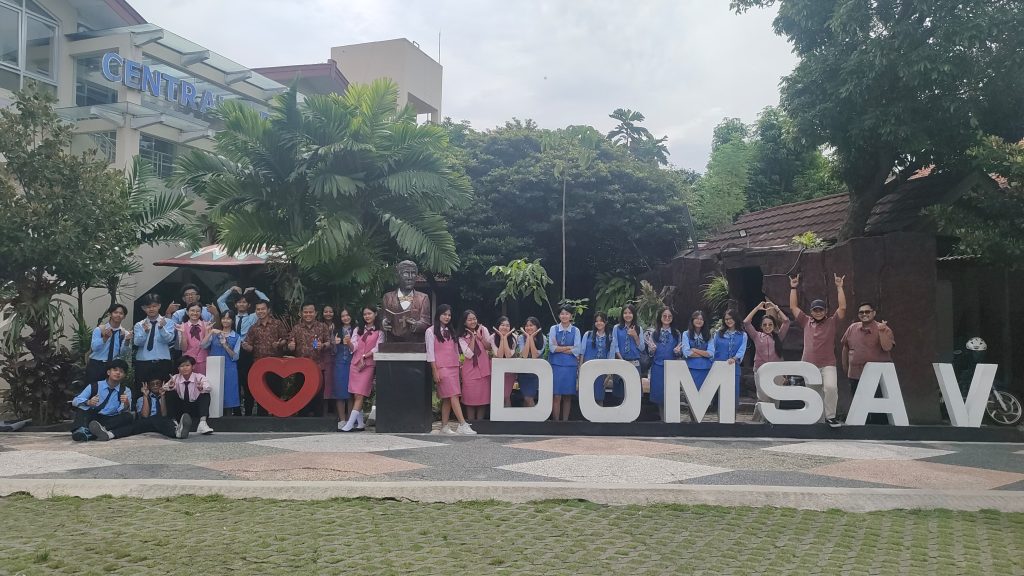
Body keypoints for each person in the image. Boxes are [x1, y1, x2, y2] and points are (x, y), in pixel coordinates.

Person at [790, 273, 847, 428]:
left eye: (821, 309)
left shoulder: (831, 322)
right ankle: (816, 419)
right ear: (811, 311)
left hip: (827, 363)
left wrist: (840, 287)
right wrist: (793, 288)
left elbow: (842, 308)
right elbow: (793, 307)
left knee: (830, 388)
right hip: (809, 365)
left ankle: (830, 417)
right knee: (813, 393)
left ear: (825, 311)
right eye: (815, 310)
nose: (818, 312)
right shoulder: (806, 321)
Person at [216, 286, 270, 415]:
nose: (241, 304)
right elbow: (220, 301)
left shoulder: (253, 317)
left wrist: (255, 290)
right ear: (235, 304)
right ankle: (235, 412)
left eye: (244, 302)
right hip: (229, 350)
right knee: (234, 381)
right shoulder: (230, 316)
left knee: (247, 382)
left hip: (246, 352)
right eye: (239, 302)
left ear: (249, 305)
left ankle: (249, 411)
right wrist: (231, 290)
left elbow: (266, 301)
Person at [841, 302, 895, 425]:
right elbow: (845, 347)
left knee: (878, 408)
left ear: (873, 313)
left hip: (877, 376)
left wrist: (881, 331)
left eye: (867, 312)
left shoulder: (884, 328)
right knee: (859, 405)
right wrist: (845, 365)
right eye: (861, 312)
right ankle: (861, 433)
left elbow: (887, 348)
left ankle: (880, 435)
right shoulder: (852, 328)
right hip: (855, 373)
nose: (864, 314)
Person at [424, 305, 475, 434]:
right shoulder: (430, 331)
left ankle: (444, 426)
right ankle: (462, 424)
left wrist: (459, 367)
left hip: (453, 366)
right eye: (444, 314)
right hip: (442, 367)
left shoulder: (451, 331)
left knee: (448, 397)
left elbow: (456, 351)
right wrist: (434, 370)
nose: (447, 317)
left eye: (449, 315)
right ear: (438, 315)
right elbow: (430, 352)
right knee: (453, 395)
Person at [89, 378, 190, 441]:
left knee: (165, 421)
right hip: (146, 422)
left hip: (161, 421)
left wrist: (162, 397)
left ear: (161, 385)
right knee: (132, 427)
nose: (155, 385)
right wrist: (145, 396)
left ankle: (178, 432)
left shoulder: (166, 397)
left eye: (157, 383)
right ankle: (108, 434)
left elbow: (163, 414)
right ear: (149, 386)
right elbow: (145, 415)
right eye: (152, 384)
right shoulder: (141, 399)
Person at [743, 301, 791, 422]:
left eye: (770, 324)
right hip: (760, 371)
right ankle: (756, 422)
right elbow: (746, 322)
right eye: (765, 325)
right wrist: (757, 308)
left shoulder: (779, 337)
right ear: (761, 326)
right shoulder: (757, 336)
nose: (768, 327)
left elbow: (786, 322)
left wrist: (776, 308)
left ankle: (773, 421)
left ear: (774, 326)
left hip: (777, 372)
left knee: (776, 397)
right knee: (762, 398)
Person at [241, 300, 288, 416]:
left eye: (263, 309)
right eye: (258, 309)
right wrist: (246, 346)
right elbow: (249, 346)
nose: (260, 311)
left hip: (276, 364)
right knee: (262, 393)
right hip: (259, 365)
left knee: (275, 390)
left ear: (268, 310)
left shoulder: (277, 324)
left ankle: (276, 414)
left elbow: (285, 339)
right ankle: (262, 417)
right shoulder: (253, 328)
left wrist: (279, 344)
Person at [341, 306, 384, 432]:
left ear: (375, 314)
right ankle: (360, 424)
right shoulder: (358, 329)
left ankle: (349, 424)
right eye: (365, 314)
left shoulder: (379, 332)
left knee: (360, 394)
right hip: (355, 364)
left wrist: (365, 356)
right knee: (355, 394)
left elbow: (377, 348)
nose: (367, 316)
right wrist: (348, 342)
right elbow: (353, 348)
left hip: (368, 365)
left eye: (369, 313)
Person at [69, 359, 133, 442]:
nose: (118, 373)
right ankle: (85, 431)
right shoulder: (95, 386)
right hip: (94, 416)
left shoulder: (125, 390)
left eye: (121, 371)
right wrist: (88, 402)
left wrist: (126, 403)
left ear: (124, 375)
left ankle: (90, 432)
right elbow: (75, 401)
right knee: (82, 407)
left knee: (128, 417)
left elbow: (122, 410)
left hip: (110, 419)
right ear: (108, 372)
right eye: (115, 370)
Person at [287, 302, 333, 415]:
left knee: (318, 395)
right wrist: (290, 346)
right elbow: (290, 344)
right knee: (301, 394)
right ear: (301, 313)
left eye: (311, 312)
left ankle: (318, 420)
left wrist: (323, 345)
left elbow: (329, 343)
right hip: (301, 368)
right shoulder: (296, 328)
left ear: (315, 313)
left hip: (318, 366)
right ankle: (303, 419)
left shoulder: (322, 327)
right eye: (306, 312)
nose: (308, 314)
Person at [133, 293, 176, 393]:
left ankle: (164, 408)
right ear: (143, 308)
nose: (151, 309)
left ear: (159, 306)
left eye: (154, 306)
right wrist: (145, 332)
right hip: (143, 362)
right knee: (142, 389)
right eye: (148, 307)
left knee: (165, 390)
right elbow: (137, 343)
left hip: (163, 362)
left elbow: (169, 339)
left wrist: (161, 329)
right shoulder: (139, 324)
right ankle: (141, 408)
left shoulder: (168, 322)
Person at [380, 260, 431, 342]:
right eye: (406, 273)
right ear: (398, 275)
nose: (410, 277)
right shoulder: (387, 297)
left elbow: (426, 322)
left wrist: (417, 325)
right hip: (392, 344)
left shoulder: (423, 298)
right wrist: (384, 323)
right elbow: (383, 318)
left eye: (413, 273)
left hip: (415, 344)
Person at [647, 306, 683, 419]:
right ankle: (663, 419)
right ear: (660, 317)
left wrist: (678, 352)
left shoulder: (676, 333)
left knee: (671, 394)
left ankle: (670, 419)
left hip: (671, 367)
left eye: (669, 316)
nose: (667, 318)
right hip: (658, 367)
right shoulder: (654, 333)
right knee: (659, 395)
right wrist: (652, 350)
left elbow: (679, 352)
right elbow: (650, 353)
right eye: (664, 316)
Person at [163, 355, 214, 435]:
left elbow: (209, 387)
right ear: (178, 369)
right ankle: (174, 423)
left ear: (193, 366)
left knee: (205, 394)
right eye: (182, 366)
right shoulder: (175, 378)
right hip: (181, 408)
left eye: (187, 365)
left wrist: (201, 388)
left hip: (195, 408)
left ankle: (202, 424)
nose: (185, 368)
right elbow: (164, 388)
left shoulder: (199, 377)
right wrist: (170, 387)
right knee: (170, 393)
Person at [203, 311, 241, 415]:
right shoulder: (215, 333)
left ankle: (228, 421)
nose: (225, 320)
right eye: (223, 318)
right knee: (214, 393)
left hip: (229, 368)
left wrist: (225, 345)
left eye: (228, 318)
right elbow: (202, 345)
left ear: (232, 321)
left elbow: (235, 356)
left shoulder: (236, 336)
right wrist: (209, 332)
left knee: (229, 394)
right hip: (214, 368)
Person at [548, 305, 581, 421]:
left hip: (570, 366)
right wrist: (569, 348)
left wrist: (560, 348)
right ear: (559, 316)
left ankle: (565, 422)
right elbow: (552, 348)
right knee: (556, 395)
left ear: (571, 316)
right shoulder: (554, 329)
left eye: (567, 313)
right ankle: (556, 422)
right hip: (556, 365)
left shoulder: (576, 330)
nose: (564, 316)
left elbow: (577, 349)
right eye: (562, 313)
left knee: (567, 396)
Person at [458, 309, 492, 421]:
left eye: (474, 319)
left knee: (483, 399)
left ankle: (480, 424)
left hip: (484, 369)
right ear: (464, 322)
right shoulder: (462, 336)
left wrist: (480, 337)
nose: (473, 321)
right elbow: (468, 354)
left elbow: (488, 347)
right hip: (470, 371)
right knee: (470, 399)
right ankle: (471, 423)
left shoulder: (483, 330)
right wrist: (472, 337)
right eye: (470, 319)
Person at [86, 303, 131, 385]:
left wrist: (127, 342)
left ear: (124, 316)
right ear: (110, 314)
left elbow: (124, 354)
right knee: (93, 391)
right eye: (115, 312)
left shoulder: (124, 333)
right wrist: (104, 338)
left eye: (121, 313)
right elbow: (94, 348)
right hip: (96, 365)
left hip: (113, 367)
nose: (118, 315)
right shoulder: (99, 329)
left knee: (110, 391)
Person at [611, 304, 646, 404]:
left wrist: (635, 336)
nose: (627, 315)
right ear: (622, 315)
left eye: (630, 313)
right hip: (621, 362)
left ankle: (633, 418)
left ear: (633, 314)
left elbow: (642, 348)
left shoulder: (639, 328)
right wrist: (621, 360)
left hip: (634, 363)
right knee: (621, 393)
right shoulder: (617, 328)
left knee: (634, 391)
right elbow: (615, 345)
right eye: (625, 313)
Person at [711, 308, 747, 404]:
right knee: (719, 395)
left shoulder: (743, 335)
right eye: (726, 319)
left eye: (731, 318)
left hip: (734, 367)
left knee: (733, 394)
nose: (728, 321)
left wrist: (734, 359)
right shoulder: (718, 334)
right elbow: (713, 349)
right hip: (718, 367)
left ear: (735, 319)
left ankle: (732, 417)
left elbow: (741, 351)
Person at [581, 312, 616, 405]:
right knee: (587, 396)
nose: (598, 323)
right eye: (596, 321)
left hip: (602, 372)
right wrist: (580, 369)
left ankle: (599, 419)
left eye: (601, 321)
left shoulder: (611, 338)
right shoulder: (587, 335)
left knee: (599, 396)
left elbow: (611, 357)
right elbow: (582, 353)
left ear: (606, 322)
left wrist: (609, 375)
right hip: (587, 370)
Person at [330, 307, 356, 427]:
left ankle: (350, 420)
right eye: (342, 316)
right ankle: (342, 420)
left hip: (353, 363)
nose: (345, 318)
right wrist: (334, 344)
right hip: (339, 364)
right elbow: (332, 351)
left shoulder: (357, 330)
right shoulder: (336, 331)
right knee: (340, 392)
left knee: (351, 392)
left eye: (347, 315)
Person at [517, 317, 547, 408]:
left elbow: (535, 356)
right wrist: (528, 337)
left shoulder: (543, 338)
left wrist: (531, 338)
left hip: (535, 373)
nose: (529, 328)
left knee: (529, 398)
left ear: (537, 327)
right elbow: (525, 355)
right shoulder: (521, 338)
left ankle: (534, 420)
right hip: (524, 372)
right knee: (526, 398)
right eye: (526, 326)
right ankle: (527, 420)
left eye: (531, 325)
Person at [681, 310, 715, 392]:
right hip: (691, 367)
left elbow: (711, 353)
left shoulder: (709, 335)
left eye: (701, 319)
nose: (699, 321)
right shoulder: (686, 334)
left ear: (704, 322)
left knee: (705, 392)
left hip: (706, 367)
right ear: (692, 320)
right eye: (696, 318)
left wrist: (695, 350)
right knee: (691, 392)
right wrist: (704, 354)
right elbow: (687, 352)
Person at [176, 303, 211, 375]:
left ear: (201, 312)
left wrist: (207, 331)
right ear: (187, 312)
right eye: (192, 310)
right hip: (187, 362)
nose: (195, 313)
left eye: (198, 311)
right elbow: (183, 348)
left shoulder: (207, 325)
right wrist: (182, 333)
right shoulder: (182, 326)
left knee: (202, 383)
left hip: (203, 361)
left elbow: (207, 345)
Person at [492, 316, 518, 407]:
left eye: (507, 325)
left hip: (509, 371)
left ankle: (508, 419)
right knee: (497, 395)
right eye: (502, 325)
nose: (505, 327)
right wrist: (501, 338)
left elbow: (508, 355)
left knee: (506, 395)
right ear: (498, 326)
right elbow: (499, 355)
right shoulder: (493, 338)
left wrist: (505, 338)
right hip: (496, 371)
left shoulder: (514, 337)